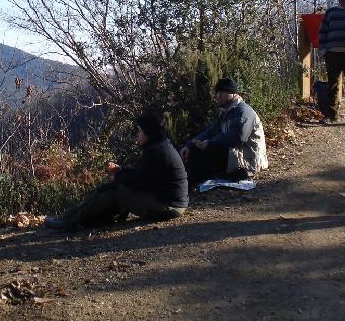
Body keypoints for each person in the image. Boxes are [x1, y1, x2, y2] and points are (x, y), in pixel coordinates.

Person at [44, 110, 188, 231]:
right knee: (115, 188)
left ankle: (68, 221)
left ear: (149, 133)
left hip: (169, 207)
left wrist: (119, 175)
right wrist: (122, 170)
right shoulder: (161, 146)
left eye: (140, 131)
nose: (138, 135)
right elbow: (144, 175)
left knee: (115, 190)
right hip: (171, 202)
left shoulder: (156, 152)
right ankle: (82, 219)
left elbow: (138, 184)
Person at [179, 78, 268, 187]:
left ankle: (185, 186)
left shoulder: (244, 112)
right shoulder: (224, 111)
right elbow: (211, 132)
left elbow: (239, 138)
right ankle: (183, 183)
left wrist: (210, 143)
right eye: (217, 92)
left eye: (223, 92)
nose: (218, 95)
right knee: (195, 151)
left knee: (208, 153)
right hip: (233, 154)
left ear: (233, 93)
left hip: (248, 161)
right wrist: (190, 145)